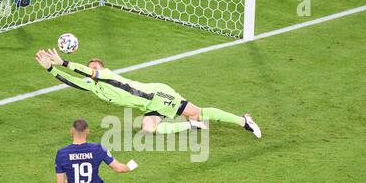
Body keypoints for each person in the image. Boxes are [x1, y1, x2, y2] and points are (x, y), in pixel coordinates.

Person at [35, 49, 261, 137]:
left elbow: (85, 72)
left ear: (101, 67)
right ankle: (191, 126)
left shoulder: (107, 75)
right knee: (149, 128)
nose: (92, 68)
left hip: (158, 95)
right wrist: (50, 69)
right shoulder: (94, 86)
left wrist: (64, 61)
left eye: (95, 65)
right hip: (148, 105)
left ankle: (244, 121)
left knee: (198, 112)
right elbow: (74, 82)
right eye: (90, 66)